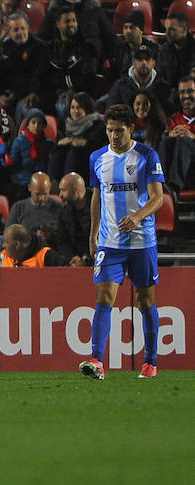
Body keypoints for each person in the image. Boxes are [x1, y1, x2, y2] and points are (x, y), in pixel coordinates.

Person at [80, 103, 164, 380]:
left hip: (141, 242)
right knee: (104, 297)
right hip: (109, 243)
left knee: (145, 301)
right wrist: (93, 234)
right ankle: (97, 361)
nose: (113, 136)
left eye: (118, 131)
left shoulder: (146, 156)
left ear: (131, 129)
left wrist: (138, 216)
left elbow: (158, 197)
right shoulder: (97, 158)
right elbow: (96, 198)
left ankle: (150, 363)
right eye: (109, 131)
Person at [38, 6, 100, 118]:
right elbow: (41, 73)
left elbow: (89, 76)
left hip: (78, 92)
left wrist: (73, 90)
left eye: (74, 20)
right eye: (67, 21)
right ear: (58, 24)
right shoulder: (50, 48)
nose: (71, 24)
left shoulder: (86, 47)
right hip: (53, 92)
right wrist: (33, 92)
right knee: (28, 106)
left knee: (63, 107)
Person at [0, 11, 45, 124]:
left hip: (30, 94)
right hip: (8, 94)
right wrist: (1, 95)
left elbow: (39, 75)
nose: (20, 32)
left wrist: (17, 94)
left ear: (28, 28)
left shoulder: (40, 47)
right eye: (16, 30)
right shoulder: (4, 48)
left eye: (23, 28)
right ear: (8, 32)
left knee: (25, 107)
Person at [48, 92, 106, 182]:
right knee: (58, 151)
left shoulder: (97, 124)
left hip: (87, 161)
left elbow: (97, 147)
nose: (75, 111)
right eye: (73, 107)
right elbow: (59, 141)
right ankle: (54, 183)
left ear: (87, 108)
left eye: (79, 107)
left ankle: (71, 185)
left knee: (73, 152)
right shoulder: (66, 124)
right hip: (66, 161)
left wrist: (84, 143)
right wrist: (61, 143)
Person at [105, 45, 172, 116]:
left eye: (147, 59)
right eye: (139, 59)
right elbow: (110, 113)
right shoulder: (120, 86)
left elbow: (169, 116)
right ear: (133, 62)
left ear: (153, 63)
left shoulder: (163, 87)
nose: (144, 62)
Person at [158, 76, 195, 199]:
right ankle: (162, 184)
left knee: (184, 141)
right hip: (182, 173)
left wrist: (192, 137)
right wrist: (170, 135)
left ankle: (174, 187)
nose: (186, 95)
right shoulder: (174, 119)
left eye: (190, 91)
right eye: (182, 92)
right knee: (166, 141)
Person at [4, 108, 54, 195]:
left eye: (40, 123)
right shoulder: (19, 142)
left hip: (43, 181)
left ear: (43, 126)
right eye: (33, 122)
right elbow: (14, 164)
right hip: (24, 181)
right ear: (28, 125)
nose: (36, 126)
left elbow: (51, 165)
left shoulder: (48, 144)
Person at [6, 171, 63, 236]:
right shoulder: (18, 207)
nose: (41, 198)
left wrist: (51, 235)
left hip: (50, 244)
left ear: (49, 188)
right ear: (30, 188)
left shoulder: (59, 207)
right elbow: (8, 234)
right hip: (24, 243)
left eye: (45, 194)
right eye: (37, 194)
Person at [54, 172, 92, 267]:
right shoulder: (64, 210)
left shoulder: (99, 205)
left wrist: (86, 259)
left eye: (63, 190)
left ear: (76, 190)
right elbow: (62, 240)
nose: (60, 195)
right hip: (73, 261)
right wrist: (72, 258)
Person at [110, 11, 158, 83]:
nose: (128, 31)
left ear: (141, 30)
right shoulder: (118, 49)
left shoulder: (154, 49)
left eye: (132, 27)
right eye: (125, 27)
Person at [158, 12, 195, 98]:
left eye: (171, 29)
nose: (167, 33)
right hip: (169, 96)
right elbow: (160, 77)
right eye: (166, 29)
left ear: (184, 30)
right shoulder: (164, 50)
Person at [0, 223, 67, 267]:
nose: (3, 245)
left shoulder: (46, 256)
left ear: (17, 245)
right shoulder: (5, 256)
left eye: (6, 242)